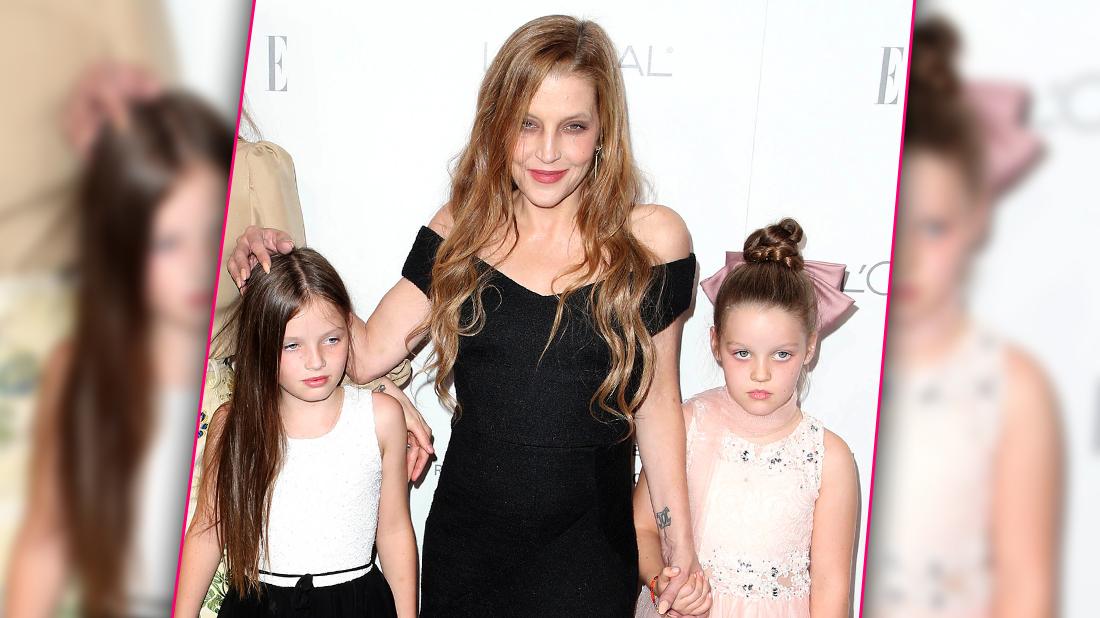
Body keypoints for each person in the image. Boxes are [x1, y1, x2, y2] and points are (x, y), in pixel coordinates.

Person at [227, 14, 708, 616]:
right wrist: (280, 258)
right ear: (498, 124)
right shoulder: (464, 230)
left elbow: (658, 404)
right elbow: (366, 352)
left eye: (573, 126)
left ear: (602, 131)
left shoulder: (652, 241)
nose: (548, 151)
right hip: (469, 557)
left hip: (588, 558)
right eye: (527, 123)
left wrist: (680, 548)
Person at [4, 91, 231, 617]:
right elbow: (46, 540)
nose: (198, 263)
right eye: (169, 243)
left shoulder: (235, 379)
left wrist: (383, 395)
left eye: (210, 231)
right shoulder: (79, 371)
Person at [864, 17, 1061, 618]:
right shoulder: (813, 362)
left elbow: (1026, 589)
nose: (910, 255)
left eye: (934, 228)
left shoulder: (1011, 386)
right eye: (900, 222)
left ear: (977, 218)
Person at [174, 248, 418, 617]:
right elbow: (209, 529)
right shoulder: (233, 424)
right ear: (261, 344)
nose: (316, 361)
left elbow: (395, 529)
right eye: (292, 345)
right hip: (259, 606)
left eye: (332, 339)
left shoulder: (381, 417)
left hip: (357, 605)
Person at [635, 219, 860, 618]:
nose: (760, 373)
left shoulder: (829, 458)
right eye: (742, 353)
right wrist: (661, 581)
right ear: (716, 343)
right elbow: (642, 529)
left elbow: (831, 588)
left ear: (810, 347)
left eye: (781, 354)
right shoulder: (684, 425)